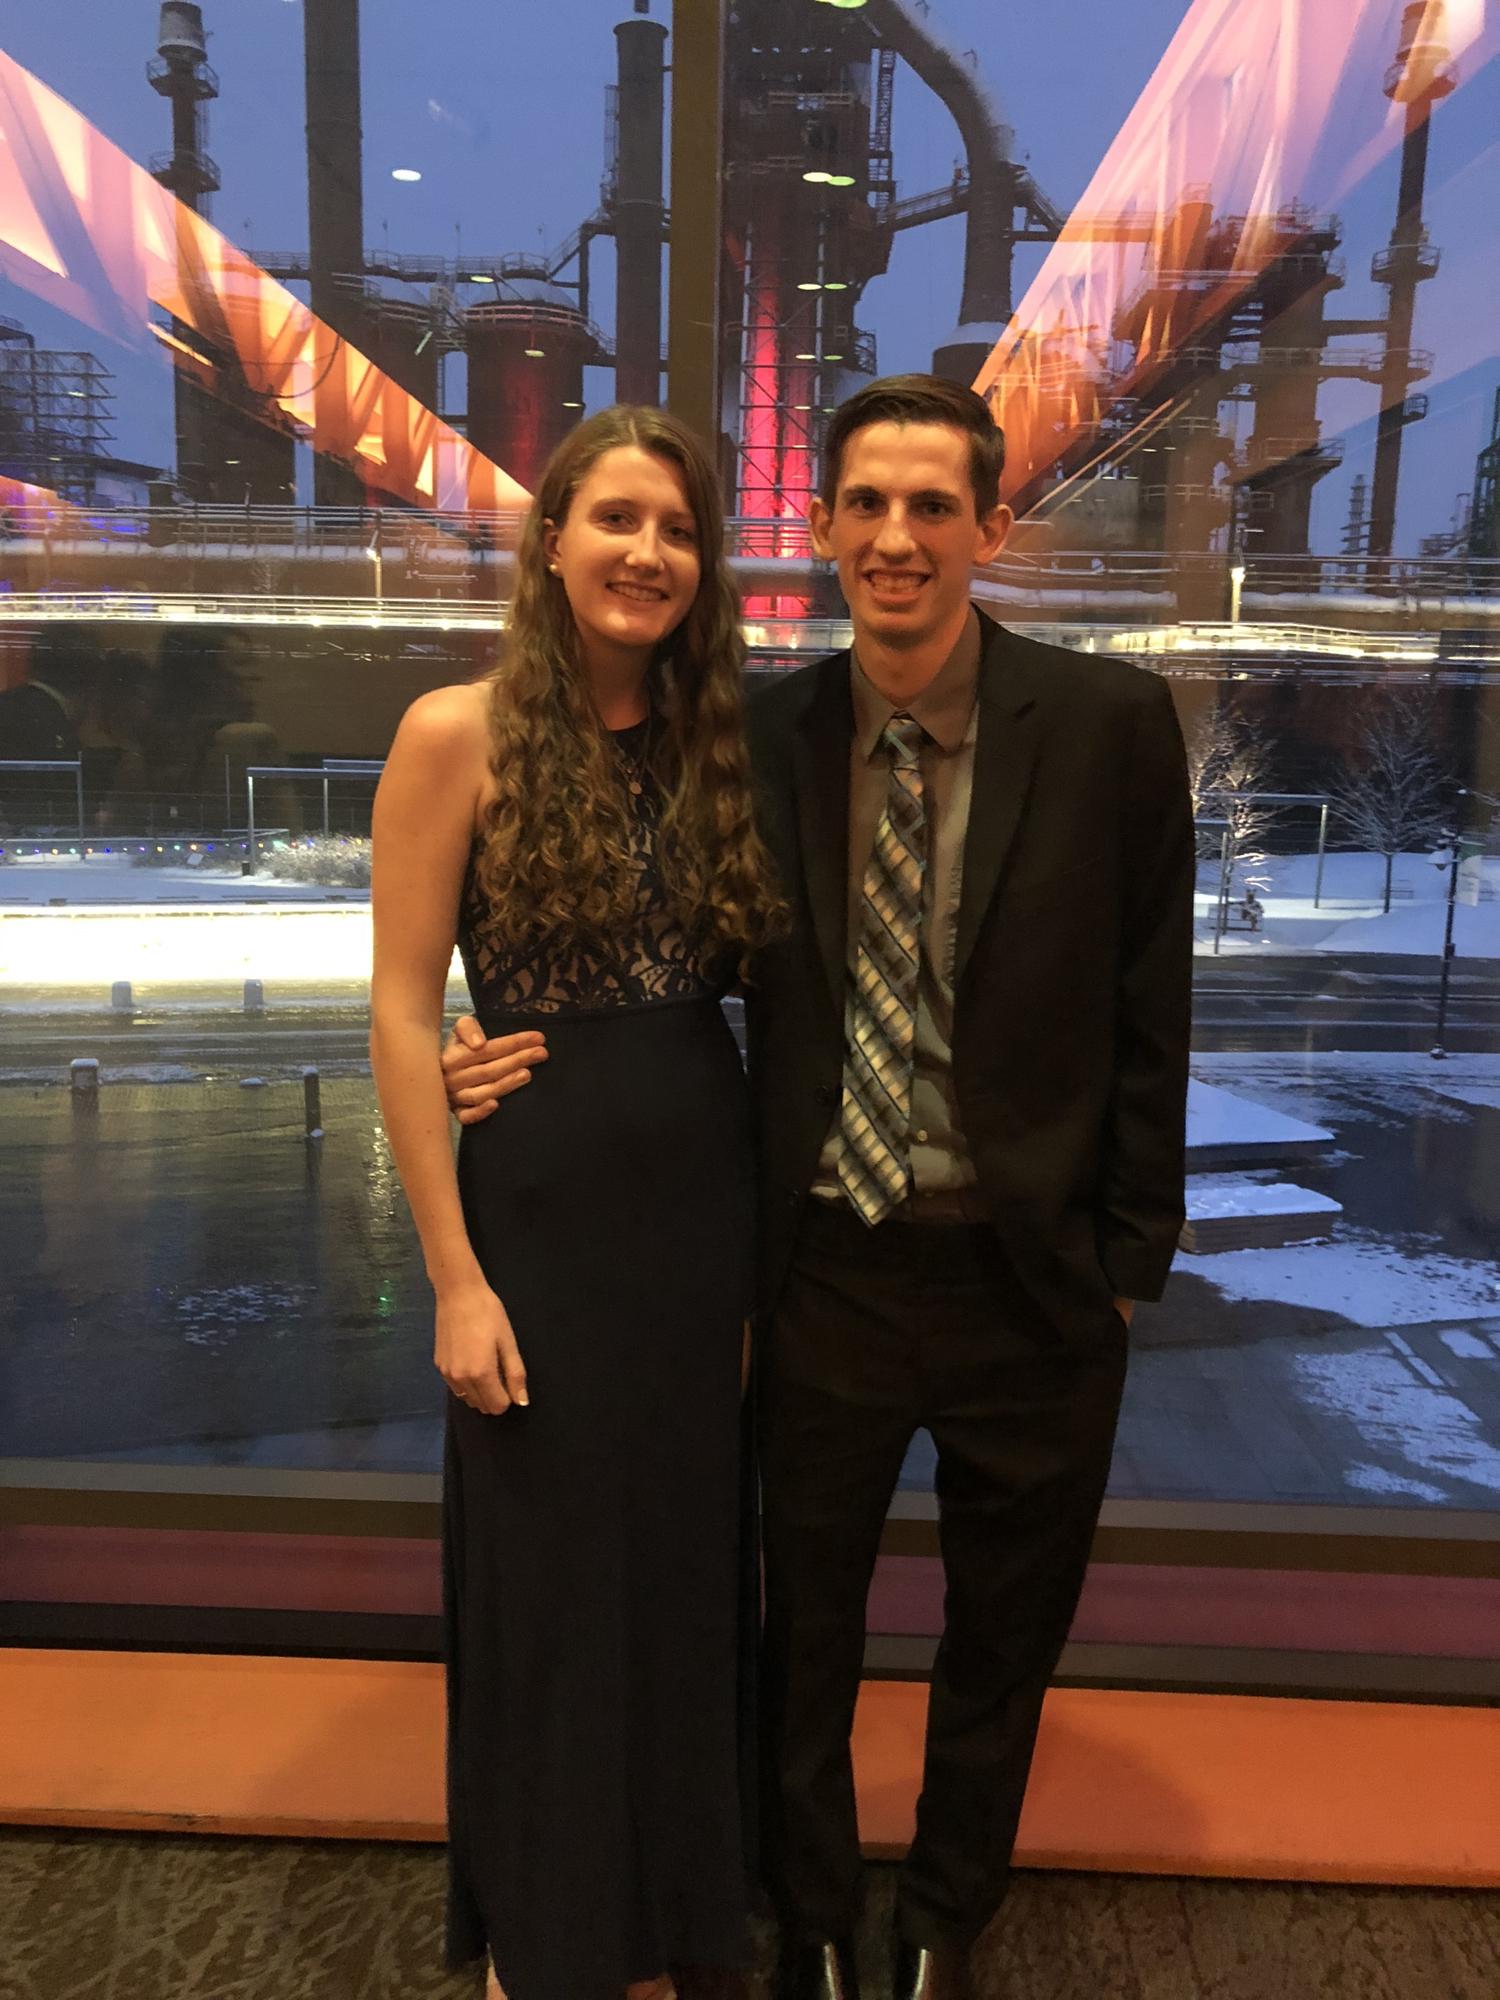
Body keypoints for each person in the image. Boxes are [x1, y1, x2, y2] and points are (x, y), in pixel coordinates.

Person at [443, 375, 1194, 2000]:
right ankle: (815, 1923)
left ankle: (945, 1921)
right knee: (803, 1636)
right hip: (826, 1273)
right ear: (828, 527)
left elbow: (1154, 1003)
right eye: (866, 504)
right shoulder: (761, 736)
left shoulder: (1112, 728)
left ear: (991, 527)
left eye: (933, 505)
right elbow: (656, 949)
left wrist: (1129, 1262)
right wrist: (478, 1031)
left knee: (1005, 1638)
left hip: (1036, 1286)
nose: (896, 536)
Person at [370, 404, 783, 2000]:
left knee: (681, 1583)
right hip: (535, 1227)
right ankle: (543, 1942)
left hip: (701, 1219)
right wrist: (453, 1279)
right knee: (548, 1595)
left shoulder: (720, 741)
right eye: (617, 519)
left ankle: (668, 1929)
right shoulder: (452, 733)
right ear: (553, 541)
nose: (648, 553)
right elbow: (402, 1006)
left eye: (678, 530)